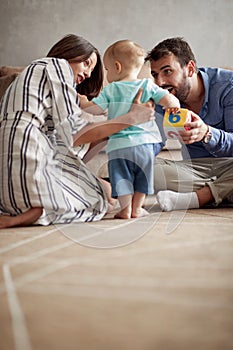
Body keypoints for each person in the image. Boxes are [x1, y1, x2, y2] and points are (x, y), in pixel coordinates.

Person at [0, 34, 155, 229]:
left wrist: (111, 130)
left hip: (8, 186)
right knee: (98, 199)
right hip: (24, 152)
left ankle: (34, 208)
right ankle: (39, 209)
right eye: (87, 64)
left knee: (104, 189)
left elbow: (70, 150)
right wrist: (129, 119)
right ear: (70, 52)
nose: (88, 74)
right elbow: (75, 135)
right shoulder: (57, 65)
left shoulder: (40, 87)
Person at [80, 40, 180, 219]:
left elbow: (94, 110)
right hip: (145, 144)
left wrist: (82, 101)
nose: (108, 74)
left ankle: (125, 208)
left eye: (108, 70)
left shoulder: (111, 89)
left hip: (118, 146)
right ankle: (137, 208)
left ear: (117, 67)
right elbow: (169, 99)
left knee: (121, 176)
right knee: (143, 176)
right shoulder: (147, 85)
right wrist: (173, 106)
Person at [145, 37, 233, 211]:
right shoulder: (164, 97)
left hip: (230, 163)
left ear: (190, 69)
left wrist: (207, 133)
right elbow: (153, 143)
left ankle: (200, 198)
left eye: (167, 71)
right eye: (155, 75)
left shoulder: (228, 86)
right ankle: (225, 191)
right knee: (144, 167)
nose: (160, 82)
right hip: (195, 171)